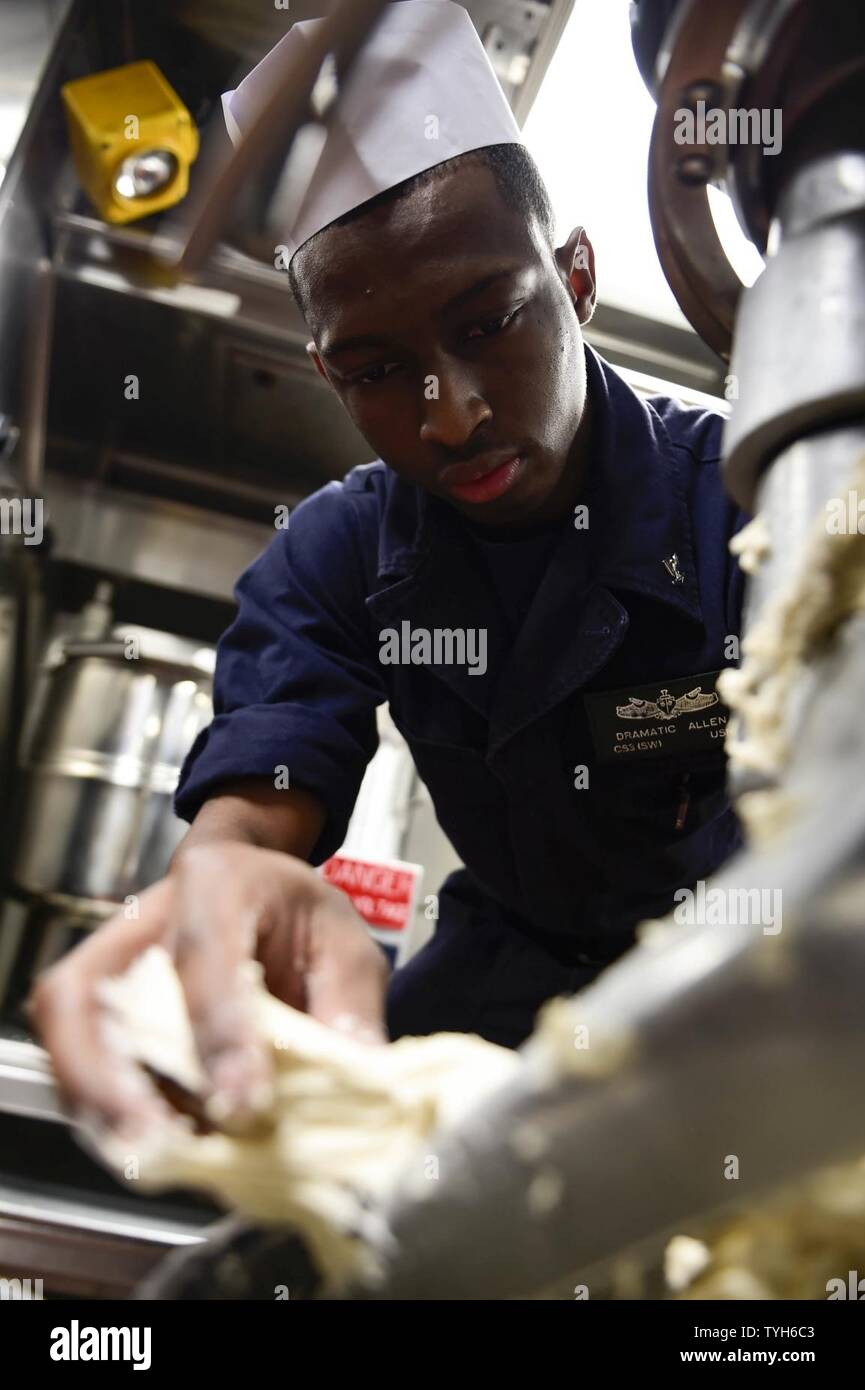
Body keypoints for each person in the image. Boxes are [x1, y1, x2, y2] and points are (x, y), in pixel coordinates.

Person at [30, 1, 748, 1145]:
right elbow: (258, 803)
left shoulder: (746, 500)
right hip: (503, 972)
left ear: (573, 280)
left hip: (752, 989)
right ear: (323, 370)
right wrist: (220, 886)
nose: (452, 413)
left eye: (490, 322)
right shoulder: (339, 552)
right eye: (377, 368)